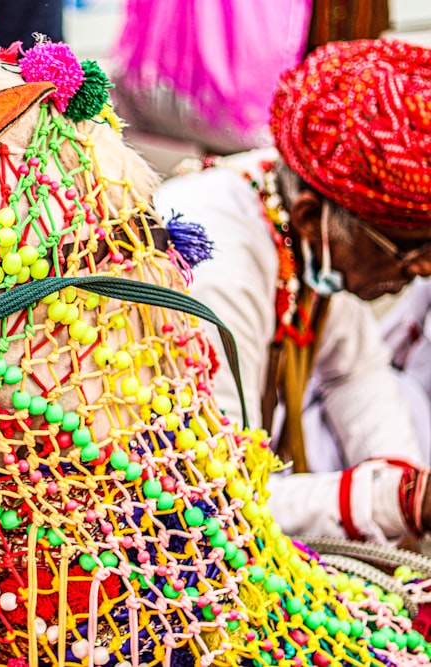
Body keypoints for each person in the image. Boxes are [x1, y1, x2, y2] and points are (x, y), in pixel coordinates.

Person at [153, 39, 431, 544]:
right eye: (410, 250)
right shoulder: (215, 265)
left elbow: (355, 371)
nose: (426, 268)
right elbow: (213, 498)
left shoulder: (302, 214)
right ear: (309, 220)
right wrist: (396, 500)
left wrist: (409, 486)